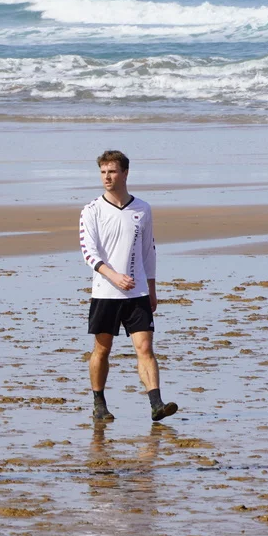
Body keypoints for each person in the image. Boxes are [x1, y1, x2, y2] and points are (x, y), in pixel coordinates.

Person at [78, 150, 179, 422]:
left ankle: (156, 404)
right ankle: (99, 403)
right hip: (105, 292)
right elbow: (89, 253)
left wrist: (152, 288)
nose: (107, 177)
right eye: (103, 172)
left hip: (137, 293)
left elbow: (149, 252)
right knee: (102, 349)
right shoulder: (91, 210)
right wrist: (114, 276)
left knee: (145, 348)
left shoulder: (142, 209)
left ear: (125, 173)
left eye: (112, 171)